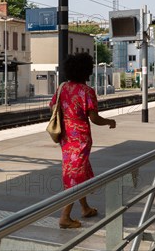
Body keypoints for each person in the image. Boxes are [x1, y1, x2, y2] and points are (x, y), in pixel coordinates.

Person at [50, 52, 116, 229]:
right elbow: (94, 118)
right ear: (86, 70)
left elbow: (53, 108)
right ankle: (65, 216)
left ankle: (85, 208)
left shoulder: (62, 88)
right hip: (80, 137)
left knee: (80, 170)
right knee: (76, 175)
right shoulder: (87, 91)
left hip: (66, 135)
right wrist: (110, 121)